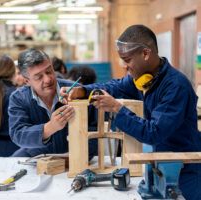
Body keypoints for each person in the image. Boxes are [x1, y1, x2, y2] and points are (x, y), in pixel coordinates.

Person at [60, 24, 201, 200]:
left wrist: (116, 109)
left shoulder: (175, 86)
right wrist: (83, 90)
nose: (125, 66)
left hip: (185, 169)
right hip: (162, 162)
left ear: (145, 54)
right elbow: (115, 86)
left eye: (127, 60)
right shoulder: (146, 79)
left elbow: (154, 132)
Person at [8, 49, 97, 157]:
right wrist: (50, 127)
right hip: (38, 162)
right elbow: (18, 134)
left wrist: (84, 154)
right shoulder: (19, 98)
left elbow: (94, 128)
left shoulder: (76, 90)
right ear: (27, 81)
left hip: (76, 160)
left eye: (49, 71)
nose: (47, 79)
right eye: (38, 77)